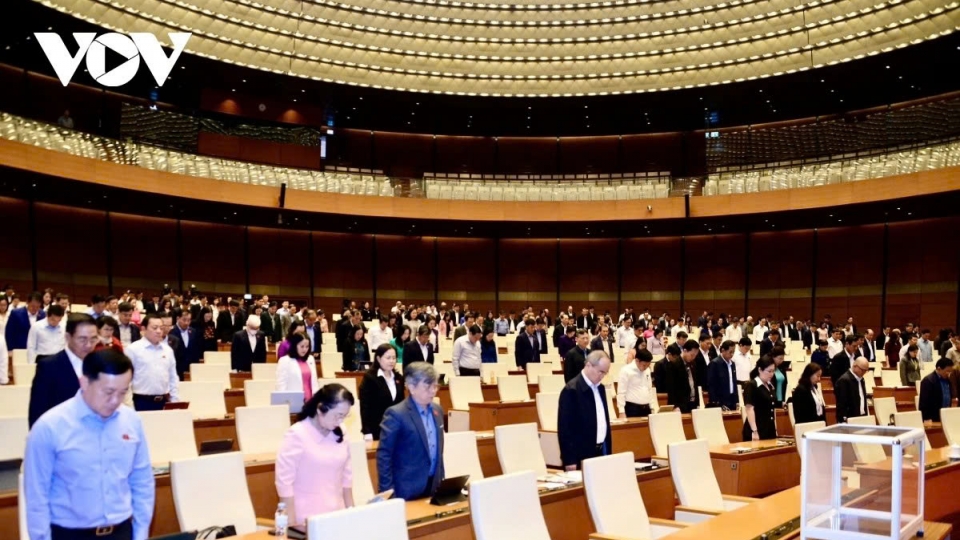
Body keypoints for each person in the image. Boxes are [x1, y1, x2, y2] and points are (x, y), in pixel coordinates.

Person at [24, 349, 154, 540]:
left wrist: (141, 532)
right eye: (108, 392)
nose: (115, 401)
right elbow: (37, 496)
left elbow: (142, 480)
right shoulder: (49, 426)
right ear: (84, 382)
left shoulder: (132, 422)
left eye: (123, 392)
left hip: (121, 531)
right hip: (69, 534)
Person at [275, 384, 356, 526]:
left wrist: (352, 514)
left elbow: (347, 477)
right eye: (338, 416)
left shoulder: (341, 431)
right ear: (320, 409)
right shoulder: (296, 434)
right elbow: (284, 483)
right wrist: (292, 526)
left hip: (338, 514)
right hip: (307, 520)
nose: (341, 421)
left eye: (344, 416)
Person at [376, 362, 445, 500]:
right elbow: (384, 455)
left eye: (435, 386)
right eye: (428, 386)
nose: (433, 391)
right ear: (412, 387)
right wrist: (388, 493)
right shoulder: (396, 414)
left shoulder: (437, 410)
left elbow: (438, 451)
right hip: (406, 490)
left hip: (433, 486)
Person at [28, 314, 99, 428]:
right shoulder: (49, 366)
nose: (89, 345)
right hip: (61, 438)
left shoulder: (100, 365)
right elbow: (38, 414)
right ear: (67, 337)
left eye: (93, 339)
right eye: (82, 339)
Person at [558, 350, 612, 470]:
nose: (602, 376)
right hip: (580, 455)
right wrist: (569, 460)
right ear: (588, 365)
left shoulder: (601, 389)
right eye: (601, 372)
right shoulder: (571, 390)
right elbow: (565, 429)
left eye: (605, 373)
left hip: (601, 451)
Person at [126, 314, 180, 411]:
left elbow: (173, 377)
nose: (159, 331)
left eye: (161, 328)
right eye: (154, 328)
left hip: (164, 401)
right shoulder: (133, 349)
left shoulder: (168, 350)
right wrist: (129, 406)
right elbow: (126, 381)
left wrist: (175, 400)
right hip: (140, 402)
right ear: (143, 329)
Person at [360, 344, 404, 440]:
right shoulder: (370, 378)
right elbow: (365, 406)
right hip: (377, 429)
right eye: (388, 358)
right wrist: (367, 431)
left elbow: (402, 404)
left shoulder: (398, 378)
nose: (392, 361)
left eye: (394, 358)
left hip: (397, 428)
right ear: (379, 359)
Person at [742, 356, 779, 441]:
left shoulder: (770, 385)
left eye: (773, 371)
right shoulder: (752, 385)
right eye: (769, 371)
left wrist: (775, 428)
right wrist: (754, 431)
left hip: (769, 429)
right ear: (760, 370)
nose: (772, 374)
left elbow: (772, 409)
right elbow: (749, 409)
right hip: (757, 429)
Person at [275, 333, 319, 402]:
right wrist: (283, 404)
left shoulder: (310, 359)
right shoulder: (284, 361)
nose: (305, 349)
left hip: (310, 401)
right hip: (293, 401)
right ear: (295, 345)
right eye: (302, 346)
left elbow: (315, 382)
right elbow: (281, 386)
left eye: (307, 346)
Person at [666, 341, 703, 413]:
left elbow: (695, 385)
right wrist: (675, 406)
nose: (694, 357)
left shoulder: (693, 364)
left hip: (692, 403)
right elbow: (671, 388)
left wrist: (698, 403)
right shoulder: (673, 364)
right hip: (680, 404)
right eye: (692, 355)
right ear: (685, 351)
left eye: (695, 355)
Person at [617, 349, 654, 418]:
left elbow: (649, 389)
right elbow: (621, 392)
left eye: (647, 365)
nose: (646, 368)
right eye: (644, 365)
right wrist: (621, 411)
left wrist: (652, 407)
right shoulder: (626, 370)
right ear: (637, 360)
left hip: (646, 408)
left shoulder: (647, 370)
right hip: (632, 409)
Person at [834, 357, 870, 423]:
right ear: (855, 366)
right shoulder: (843, 380)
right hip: (849, 419)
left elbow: (862, 398)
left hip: (861, 416)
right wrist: (844, 419)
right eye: (862, 370)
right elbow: (841, 403)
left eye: (866, 370)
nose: (864, 373)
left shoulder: (861, 379)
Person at [918, 358, 955, 422]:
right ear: (939, 369)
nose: (949, 374)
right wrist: (926, 418)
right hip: (933, 417)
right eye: (947, 371)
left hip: (945, 415)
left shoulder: (948, 380)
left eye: (950, 371)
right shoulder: (928, 381)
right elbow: (924, 402)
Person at [707, 340, 739, 410]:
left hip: (732, 400)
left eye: (733, 352)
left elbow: (734, 382)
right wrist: (716, 402)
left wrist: (737, 400)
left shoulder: (732, 364)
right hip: (720, 401)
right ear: (723, 350)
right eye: (730, 352)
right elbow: (711, 385)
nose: (732, 354)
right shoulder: (714, 363)